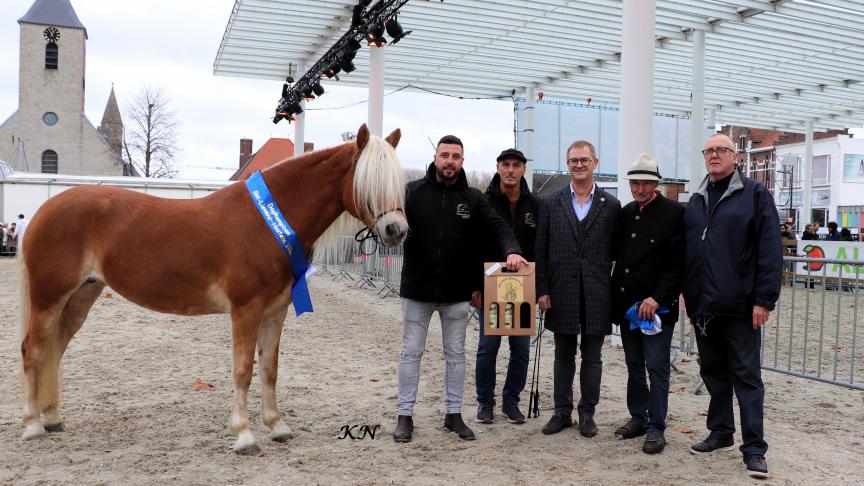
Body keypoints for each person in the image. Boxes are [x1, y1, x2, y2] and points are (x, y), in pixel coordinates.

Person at [393, 135, 527, 443]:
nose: (450, 161)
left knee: (455, 355)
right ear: (436, 157)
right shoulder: (411, 192)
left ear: (462, 161)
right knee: (411, 353)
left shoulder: (474, 198)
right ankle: (404, 416)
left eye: (456, 156)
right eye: (445, 155)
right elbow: (388, 221)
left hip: (456, 294)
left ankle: (453, 415)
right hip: (417, 290)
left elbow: (500, 226)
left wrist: (511, 250)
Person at [683, 133, 781, 479]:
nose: (714, 155)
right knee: (713, 373)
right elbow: (690, 252)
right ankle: (721, 431)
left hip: (741, 306)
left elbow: (770, 249)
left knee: (747, 379)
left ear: (735, 156)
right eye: (708, 150)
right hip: (704, 307)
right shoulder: (695, 198)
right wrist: (689, 296)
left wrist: (764, 299)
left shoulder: (754, 194)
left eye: (721, 150)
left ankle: (754, 449)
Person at [535, 140, 620, 438]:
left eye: (584, 160)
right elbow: (540, 251)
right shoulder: (551, 203)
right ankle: (561, 412)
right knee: (563, 356)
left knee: (593, 357)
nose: (579, 164)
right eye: (573, 160)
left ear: (595, 162)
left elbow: (617, 253)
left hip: (597, 293)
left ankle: (587, 414)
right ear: (567, 164)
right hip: (561, 293)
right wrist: (541, 289)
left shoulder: (611, 206)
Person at [611, 153, 684, 454]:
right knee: (633, 364)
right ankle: (638, 417)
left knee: (656, 367)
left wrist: (658, 298)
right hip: (630, 306)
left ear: (656, 183)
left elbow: (678, 264)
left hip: (656, 308)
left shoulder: (674, 213)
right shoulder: (626, 212)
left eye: (646, 183)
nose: (640, 189)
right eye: (635, 183)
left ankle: (656, 428)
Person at [474, 148, 540, 426]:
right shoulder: (484, 202)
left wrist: (541, 287)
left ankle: (511, 402)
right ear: (498, 168)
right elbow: (472, 246)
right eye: (506, 165)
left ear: (524, 169)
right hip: (490, 286)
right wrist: (474, 287)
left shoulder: (536, 205)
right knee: (488, 347)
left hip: (523, 288)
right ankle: (485, 403)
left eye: (516, 165)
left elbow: (540, 248)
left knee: (521, 350)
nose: (511, 169)